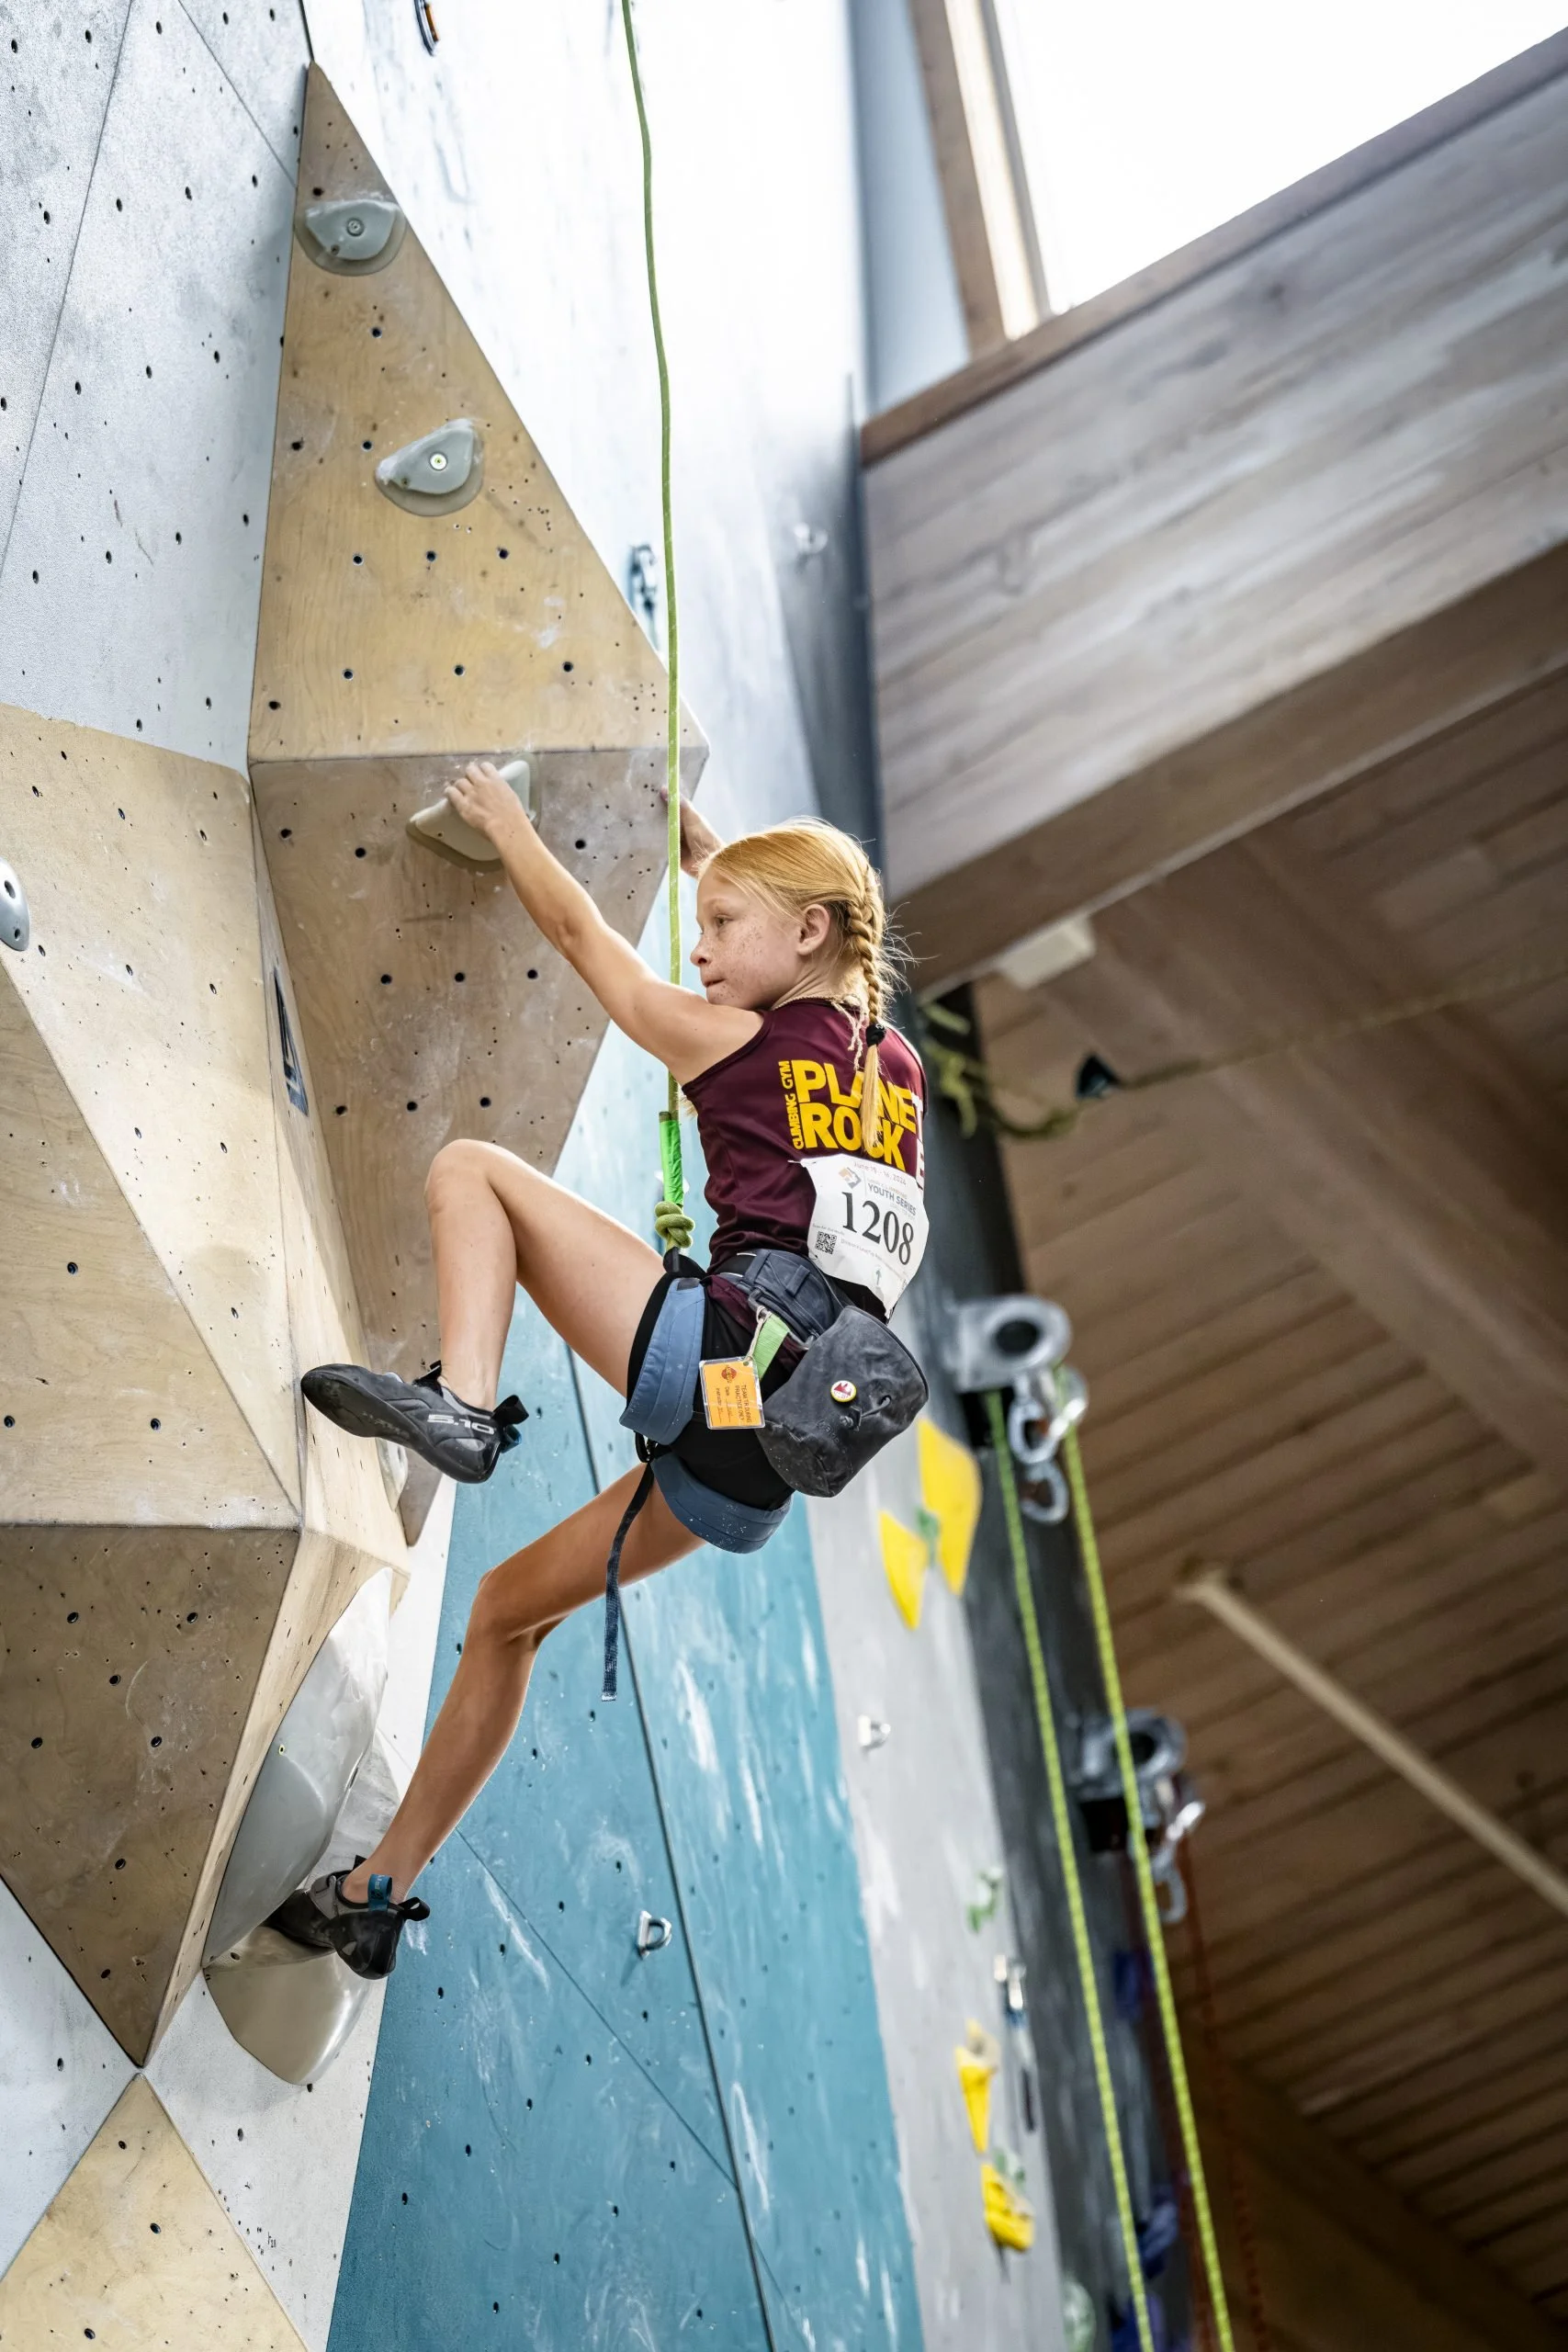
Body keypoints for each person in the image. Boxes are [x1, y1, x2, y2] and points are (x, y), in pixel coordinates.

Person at [272, 761, 928, 1976]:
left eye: (721, 928)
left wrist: (507, 823)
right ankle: (371, 1896)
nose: (701, 953)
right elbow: (812, 947)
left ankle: (463, 1406)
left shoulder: (729, 1036)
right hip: (773, 1445)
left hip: (725, 1352)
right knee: (505, 1617)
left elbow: (587, 944)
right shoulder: (892, 1069)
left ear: (806, 930)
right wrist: (713, 861)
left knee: (471, 1171)